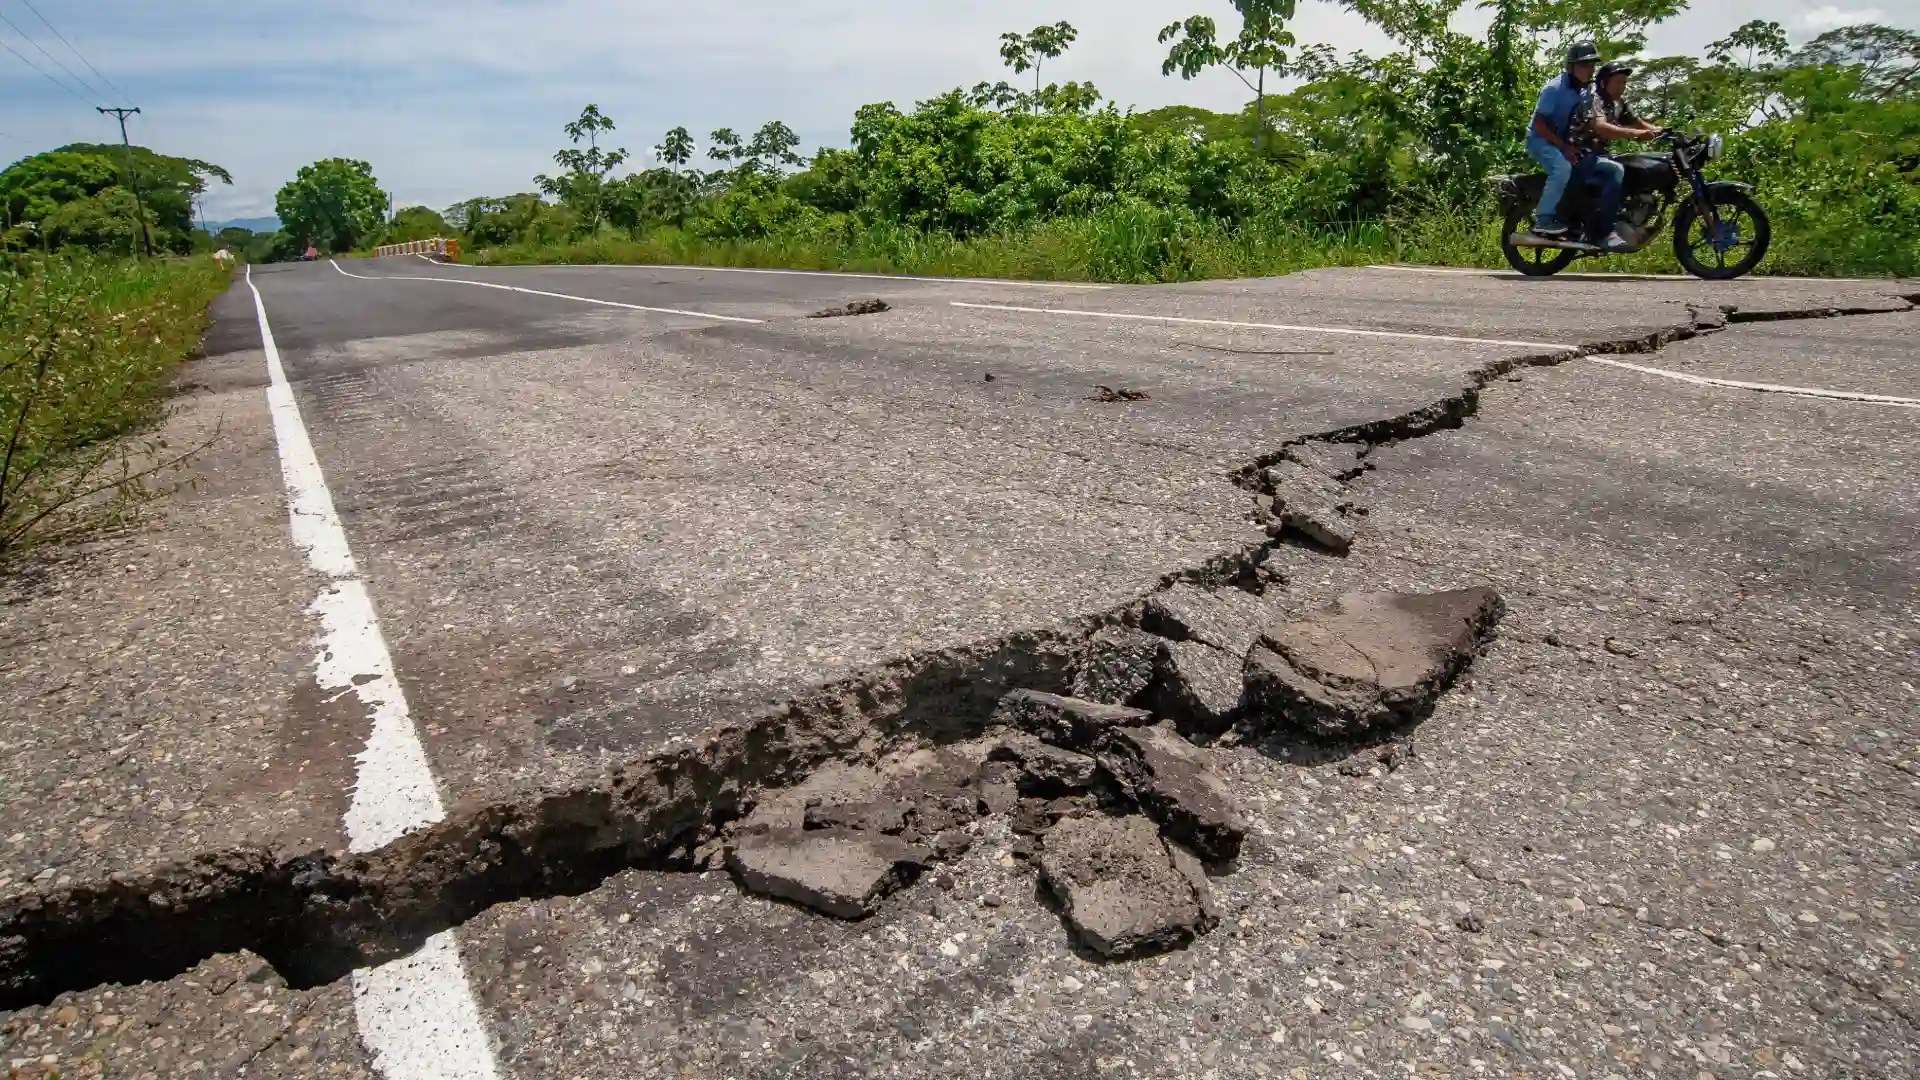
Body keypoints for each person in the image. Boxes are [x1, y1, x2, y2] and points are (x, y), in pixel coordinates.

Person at [1524, 42, 1627, 249]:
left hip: (1565, 144)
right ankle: (1543, 219)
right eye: (1583, 65)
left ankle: (1601, 229)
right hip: (1540, 141)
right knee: (1562, 167)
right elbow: (1539, 124)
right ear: (1571, 66)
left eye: (1591, 65)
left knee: (1613, 169)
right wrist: (1564, 147)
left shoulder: (1584, 91)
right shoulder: (1553, 89)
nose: (1588, 69)